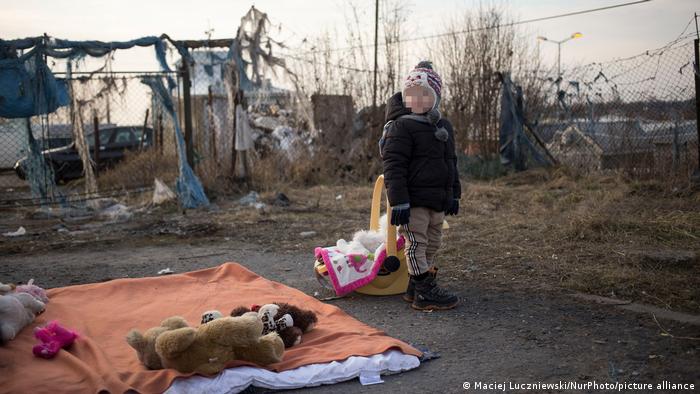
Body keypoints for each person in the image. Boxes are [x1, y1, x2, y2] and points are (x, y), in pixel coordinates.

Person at [380, 60, 461, 310]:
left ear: (435, 97)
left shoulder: (443, 127)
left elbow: (451, 163)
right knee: (417, 242)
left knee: (434, 241)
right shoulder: (401, 126)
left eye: (424, 94)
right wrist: (399, 201)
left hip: (437, 199)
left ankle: (414, 286)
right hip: (412, 200)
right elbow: (394, 165)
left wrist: (454, 195)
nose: (417, 99)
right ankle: (425, 292)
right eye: (411, 94)